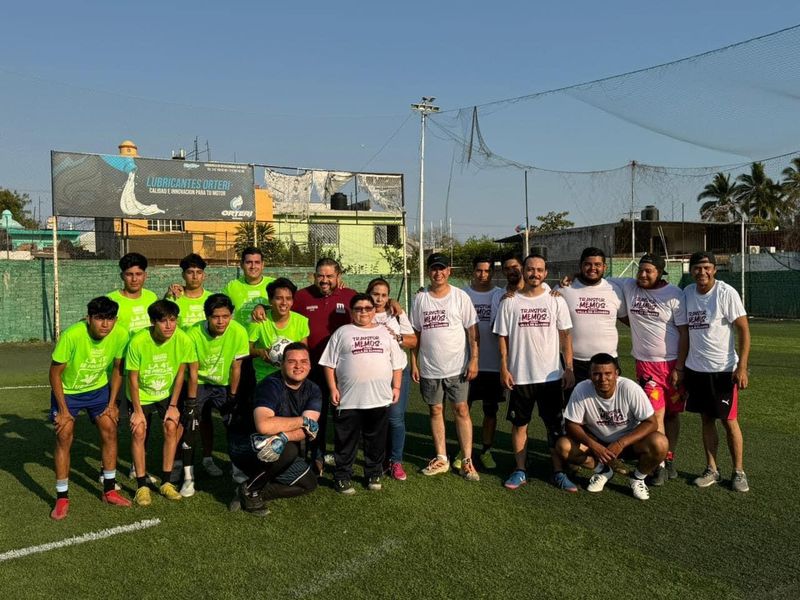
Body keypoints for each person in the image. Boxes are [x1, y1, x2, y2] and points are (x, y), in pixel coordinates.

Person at [494, 253, 576, 492]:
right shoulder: (509, 302)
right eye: (530, 269)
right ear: (524, 271)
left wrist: (568, 367)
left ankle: (558, 472)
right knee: (520, 424)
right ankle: (520, 470)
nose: (535, 274)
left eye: (539, 270)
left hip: (551, 376)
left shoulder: (556, 300)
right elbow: (503, 338)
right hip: (521, 376)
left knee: (554, 426)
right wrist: (504, 367)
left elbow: (566, 336)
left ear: (546, 273)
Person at [48, 297, 131, 520]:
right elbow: (54, 373)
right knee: (64, 435)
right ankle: (62, 497)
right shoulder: (72, 335)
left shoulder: (121, 334)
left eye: (110, 319)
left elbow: (117, 370)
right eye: (99, 318)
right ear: (89, 318)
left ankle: (110, 490)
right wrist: (64, 410)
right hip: (69, 392)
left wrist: (113, 403)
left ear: (116, 319)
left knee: (110, 429)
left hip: (98, 391)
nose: (105, 324)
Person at [610, 253, 688, 486]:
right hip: (646, 365)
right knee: (656, 414)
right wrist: (572, 278)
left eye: (648, 271)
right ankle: (659, 465)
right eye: (640, 270)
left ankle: (669, 457)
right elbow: (603, 279)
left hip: (673, 364)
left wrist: (681, 367)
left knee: (673, 414)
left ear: (660, 273)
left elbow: (684, 332)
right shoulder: (630, 286)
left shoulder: (675, 294)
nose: (642, 275)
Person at [320, 294, 405, 493]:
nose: (364, 312)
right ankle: (342, 476)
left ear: (374, 310)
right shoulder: (342, 332)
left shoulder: (386, 333)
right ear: (351, 311)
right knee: (346, 441)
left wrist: (397, 387)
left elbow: (397, 364)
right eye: (358, 308)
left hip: (378, 398)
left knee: (375, 440)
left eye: (368, 308)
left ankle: (373, 474)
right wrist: (333, 388)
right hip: (348, 399)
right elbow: (328, 364)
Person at [556, 353, 668, 501]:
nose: (603, 379)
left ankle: (638, 478)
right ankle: (603, 470)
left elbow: (651, 422)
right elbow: (571, 424)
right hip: (598, 443)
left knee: (660, 443)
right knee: (563, 446)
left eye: (608, 374)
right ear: (590, 374)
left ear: (616, 374)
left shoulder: (630, 389)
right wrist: (593, 445)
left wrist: (621, 443)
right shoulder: (581, 389)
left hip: (630, 443)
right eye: (597, 374)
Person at [683, 252, 751, 492]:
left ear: (714, 269)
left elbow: (743, 329)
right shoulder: (687, 294)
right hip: (696, 370)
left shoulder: (726, 293)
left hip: (723, 371)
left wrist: (741, 367)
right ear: (691, 271)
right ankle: (712, 468)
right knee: (706, 419)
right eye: (697, 268)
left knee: (729, 421)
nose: (702, 272)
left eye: (707, 267)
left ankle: (738, 472)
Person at [227, 343, 321, 516]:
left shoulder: (313, 390)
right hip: (244, 445)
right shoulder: (270, 385)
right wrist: (301, 421)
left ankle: (254, 491)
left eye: (303, 361)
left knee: (308, 483)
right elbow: (264, 426)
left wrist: (285, 435)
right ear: (281, 363)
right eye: (292, 361)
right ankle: (251, 490)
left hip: (276, 444)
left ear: (310, 364)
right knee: (289, 449)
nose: (298, 366)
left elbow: (309, 429)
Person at [410, 253, 480, 482]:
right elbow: (416, 334)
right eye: (434, 269)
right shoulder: (420, 299)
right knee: (435, 410)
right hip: (430, 368)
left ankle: (467, 461)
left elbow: (472, 332)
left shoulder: (460, 297)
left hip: (457, 367)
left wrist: (474, 360)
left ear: (449, 271)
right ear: (429, 272)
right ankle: (441, 457)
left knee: (461, 410)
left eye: (442, 268)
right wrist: (414, 362)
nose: (438, 273)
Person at [126, 300, 198, 506]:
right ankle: (141, 485)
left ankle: (166, 482)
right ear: (152, 322)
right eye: (163, 321)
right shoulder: (138, 341)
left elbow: (180, 373)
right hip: (141, 394)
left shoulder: (182, 339)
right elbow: (132, 378)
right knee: (139, 430)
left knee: (171, 427)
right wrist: (138, 411)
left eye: (173, 320)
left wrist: (174, 406)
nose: (169, 326)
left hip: (166, 393)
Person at [180, 294, 250, 497]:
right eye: (215, 317)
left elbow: (236, 368)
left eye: (225, 316)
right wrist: (192, 402)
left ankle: (237, 468)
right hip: (199, 383)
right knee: (190, 425)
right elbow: (192, 371)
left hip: (223, 384)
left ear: (231, 316)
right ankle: (188, 478)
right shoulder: (193, 333)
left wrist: (233, 396)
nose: (221, 321)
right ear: (206, 317)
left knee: (234, 424)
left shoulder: (238, 331)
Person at [291, 257, 357, 473]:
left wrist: (394, 305)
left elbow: (373, 309)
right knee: (315, 415)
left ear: (339, 277)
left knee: (342, 415)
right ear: (314, 276)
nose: (325, 280)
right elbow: (280, 307)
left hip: (344, 369)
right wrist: (261, 308)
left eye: (330, 276)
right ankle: (316, 457)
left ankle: (341, 457)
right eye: (321, 276)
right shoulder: (301, 297)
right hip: (313, 369)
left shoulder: (350, 296)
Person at [367, 277, 416, 481]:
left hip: (398, 372)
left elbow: (413, 341)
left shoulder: (396, 314)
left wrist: (395, 337)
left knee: (395, 418)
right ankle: (377, 460)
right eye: (375, 294)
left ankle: (396, 461)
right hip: (372, 374)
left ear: (389, 297)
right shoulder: (362, 312)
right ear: (369, 293)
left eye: (384, 295)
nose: (379, 299)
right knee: (376, 419)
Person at [554, 247, 626, 385]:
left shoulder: (614, 289)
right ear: (580, 266)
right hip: (573, 363)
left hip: (607, 362)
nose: (593, 268)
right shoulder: (564, 289)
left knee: (607, 405)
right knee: (574, 405)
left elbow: (629, 320)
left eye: (597, 265)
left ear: (604, 267)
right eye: (588, 264)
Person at [462, 256, 505, 470]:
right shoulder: (463, 295)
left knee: (490, 411)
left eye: (487, 271)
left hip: (493, 365)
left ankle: (486, 450)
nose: (483, 275)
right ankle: (464, 451)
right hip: (467, 363)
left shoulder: (500, 294)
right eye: (479, 270)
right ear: (473, 271)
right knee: (463, 409)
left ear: (493, 273)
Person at [248, 278, 309, 384]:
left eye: (288, 298)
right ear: (270, 300)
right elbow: (247, 349)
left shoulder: (301, 321)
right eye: (279, 298)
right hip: (265, 378)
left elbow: (304, 352)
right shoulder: (259, 320)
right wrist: (260, 352)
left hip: (292, 378)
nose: (284, 303)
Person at [222, 247, 275, 327]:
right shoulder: (231, 287)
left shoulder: (274, 285)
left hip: (269, 338)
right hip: (242, 338)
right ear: (242, 265)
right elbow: (220, 311)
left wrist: (264, 307)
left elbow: (285, 308)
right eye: (249, 262)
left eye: (257, 262)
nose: (253, 266)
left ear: (262, 265)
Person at [107, 252, 158, 335]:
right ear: (122, 276)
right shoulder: (110, 300)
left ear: (145, 275)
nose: (134, 279)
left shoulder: (152, 297)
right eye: (129, 274)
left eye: (138, 274)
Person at [166, 253, 213, 330]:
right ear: (183, 275)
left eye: (199, 272)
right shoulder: (173, 299)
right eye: (190, 272)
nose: (195, 277)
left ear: (204, 275)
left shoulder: (212, 299)